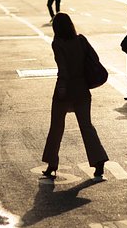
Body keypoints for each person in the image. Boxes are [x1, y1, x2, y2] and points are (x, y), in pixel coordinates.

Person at [42, 13, 109, 182]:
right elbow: (95, 58)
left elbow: (63, 68)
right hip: (82, 88)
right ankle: (98, 160)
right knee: (86, 126)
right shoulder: (81, 40)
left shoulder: (57, 43)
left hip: (65, 88)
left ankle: (52, 163)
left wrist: (62, 88)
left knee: (56, 126)